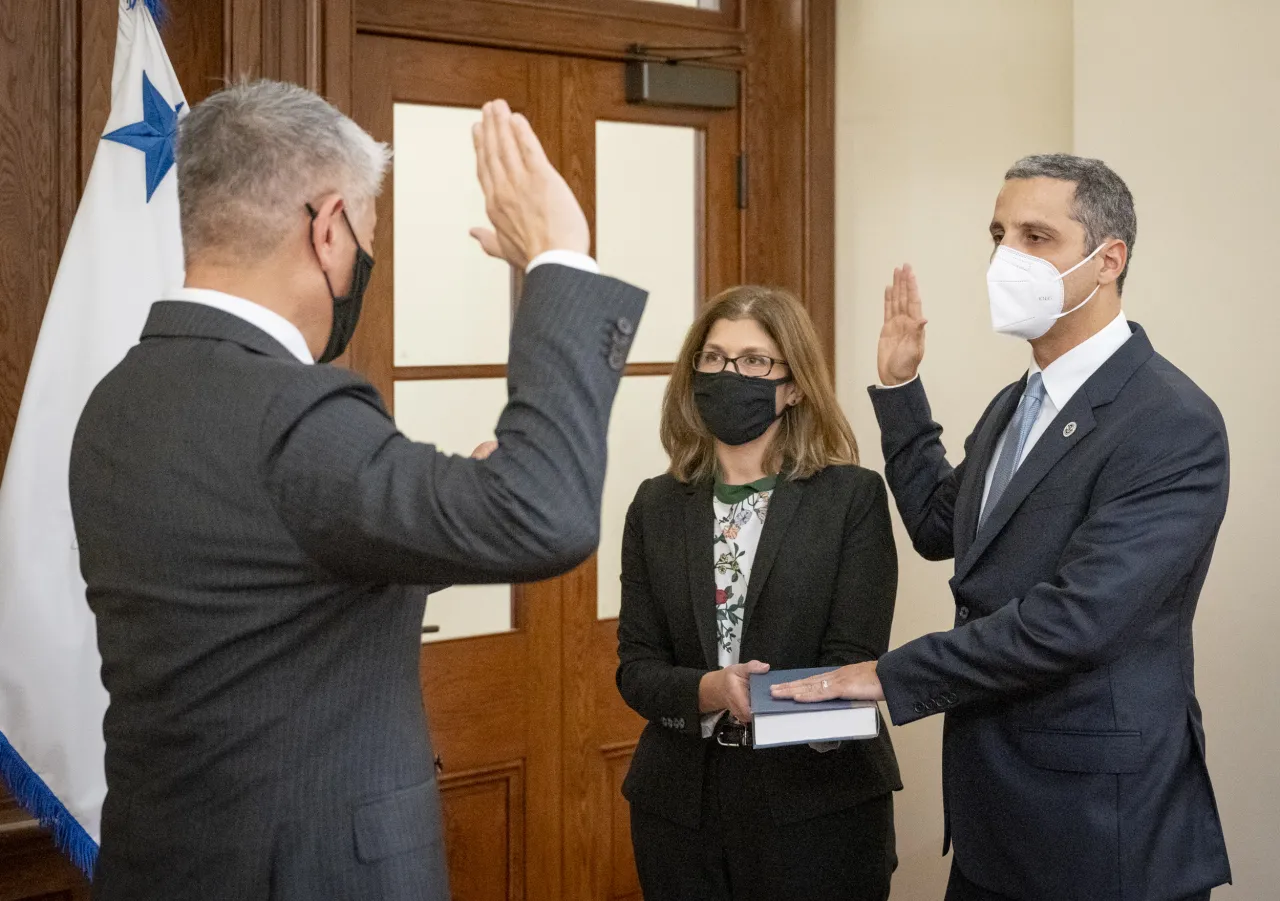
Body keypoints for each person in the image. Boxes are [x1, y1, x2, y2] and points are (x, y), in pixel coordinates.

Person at [68, 80, 647, 901]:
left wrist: (457, 506)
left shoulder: (119, 400)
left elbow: (268, 569)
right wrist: (560, 257)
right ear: (330, 227)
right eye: (368, 237)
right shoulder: (295, 410)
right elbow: (546, 515)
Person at [772, 154, 1231, 901]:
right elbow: (937, 524)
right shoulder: (1014, 404)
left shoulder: (1171, 422)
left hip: (1102, 832)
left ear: (1107, 260)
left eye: (1036, 236)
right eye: (998, 234)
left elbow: (1074, 620)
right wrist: (898, 386)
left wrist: (888, 675)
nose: (1004, 258)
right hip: (994, 824)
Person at [616, 286, 902, 901]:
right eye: (714, 358)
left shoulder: (851, 498)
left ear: (793, 385)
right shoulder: (656, 504)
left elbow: (851, 663)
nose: (729, 375)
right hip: (680, 810)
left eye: (754, 362)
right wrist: (707, 690)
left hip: (818, 809)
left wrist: (759, 700)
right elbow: (635, 668)